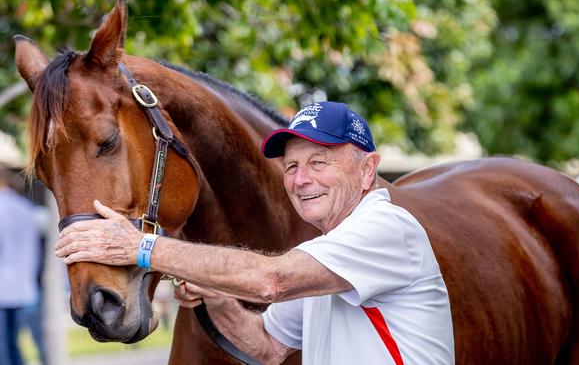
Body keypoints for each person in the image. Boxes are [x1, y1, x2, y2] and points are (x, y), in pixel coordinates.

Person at [55, 102, 455, 364]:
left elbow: (270, 281)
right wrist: (219, 299)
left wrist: (140, 248)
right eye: (292, 166)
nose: (301, 179)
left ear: (368, 170)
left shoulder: (387, 228)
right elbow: (267, 345)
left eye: (319, 161)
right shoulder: (327, 253)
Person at [0, 164, 42, 365]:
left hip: (3, 289)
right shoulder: (27, 209)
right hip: (26, 287)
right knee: (23, 345)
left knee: (4, 350)